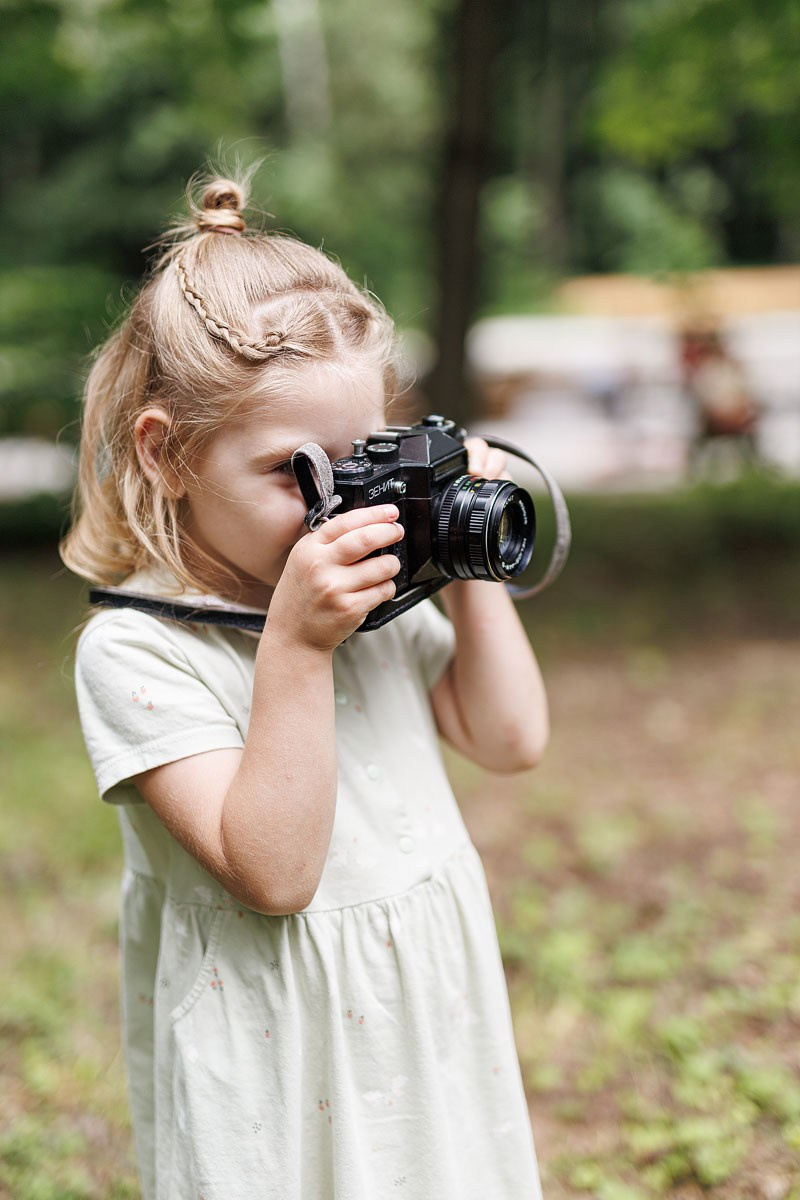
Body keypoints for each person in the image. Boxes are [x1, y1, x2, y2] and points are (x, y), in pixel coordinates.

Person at [61, 173, 549, 1200]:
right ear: (168, 454)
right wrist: (293, 649)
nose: (338, 512)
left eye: (361, 463)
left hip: (418, 1012)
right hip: (274, 1052)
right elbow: (272, 874)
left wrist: (464, 557)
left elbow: (508, 739)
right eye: (298, 474)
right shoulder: (140, 651)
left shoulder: (366, 603)